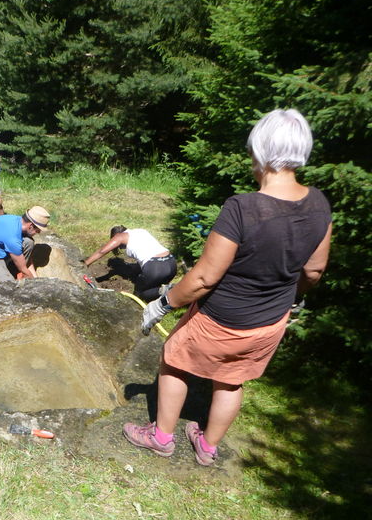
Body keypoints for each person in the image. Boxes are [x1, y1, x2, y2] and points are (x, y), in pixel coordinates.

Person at [124, 109, 332, 466]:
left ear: (260, 150)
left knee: (174, 360)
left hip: (221, 318)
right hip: (270, 321)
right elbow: (314, 270)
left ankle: (161, 437)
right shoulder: (319, 204)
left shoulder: (243, 208)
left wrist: (163, 304)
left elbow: (205, 277)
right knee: (232, 379)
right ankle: (207, 447)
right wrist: (287, 296)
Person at [83, 226, 176, 301]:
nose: (122, 248)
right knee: (155, 289)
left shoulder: (119, 237)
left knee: (139, 296)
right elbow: (147, 252)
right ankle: (168, 290)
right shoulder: (140, 231)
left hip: (155, 267)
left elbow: (102, 251)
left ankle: (167, 290)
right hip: (171, 263)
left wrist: (85, 264)